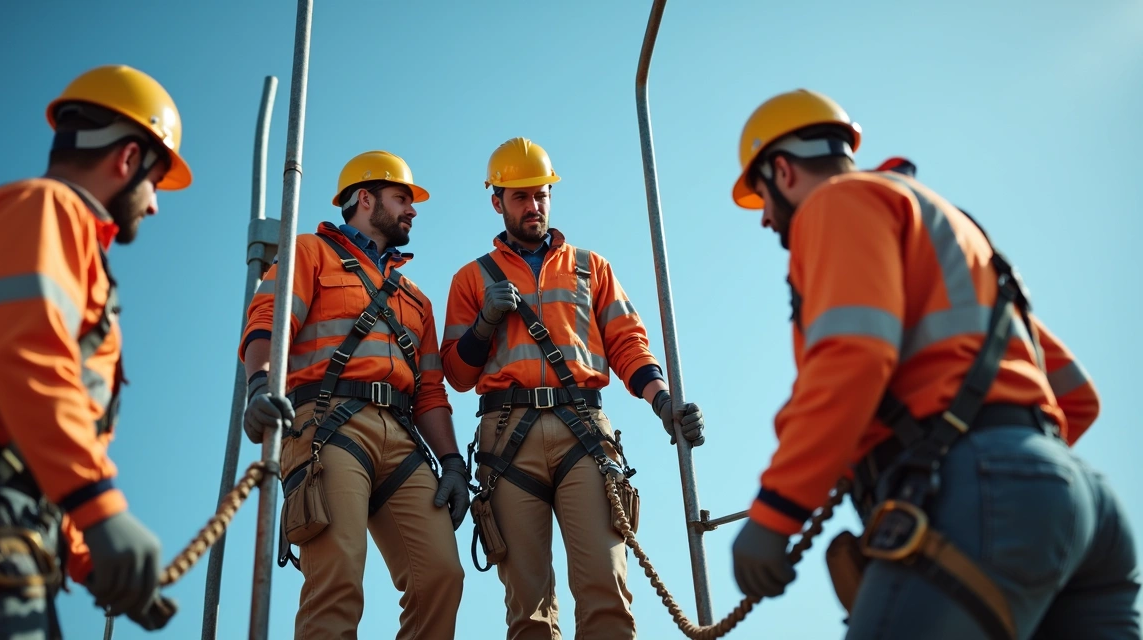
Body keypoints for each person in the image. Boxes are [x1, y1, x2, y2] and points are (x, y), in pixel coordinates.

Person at [727, 88, 1140, 639]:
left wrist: (776, 513)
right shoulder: (949, 230)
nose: (765, 221)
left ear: (782, 171)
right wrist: (1028, 477)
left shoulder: (834, 204)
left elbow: (853, 355)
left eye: (761, 196)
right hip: (1087, 511)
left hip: (978, 488)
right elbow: (1077, 397)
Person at [0, 64, 189, 638]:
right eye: (155, 183)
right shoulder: (49, 210)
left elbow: (29, 440)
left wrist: (91, 559)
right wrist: (100, 510)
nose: (154, 206)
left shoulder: (40, 224)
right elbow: (29, 363)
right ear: (127, 160)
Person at [440, 136, 706, 639]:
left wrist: (663, 401)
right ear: (497, 202)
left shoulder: (590, 268)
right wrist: (485, 322)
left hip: (583, 433)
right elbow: (456, 373)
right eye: (520, 197)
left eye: (541, 195)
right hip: (506, 442)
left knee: (607, 592)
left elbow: (628, 345)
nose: (533, 206)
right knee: (529, 613)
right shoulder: (471, 280)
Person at [240, 150, 467, 639]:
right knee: (338, 578)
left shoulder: (416, 300)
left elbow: (430, 392)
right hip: (327, 426)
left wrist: (451, 462)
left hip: (402, 438)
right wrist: (259, 386)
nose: (412, 210)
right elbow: (266, 326)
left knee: (441, 577)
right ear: (365, 199)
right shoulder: (308, 253)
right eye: (401, 197)